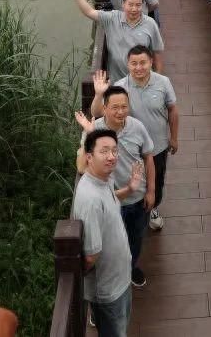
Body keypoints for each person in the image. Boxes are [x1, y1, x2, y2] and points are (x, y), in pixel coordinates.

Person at [91, 46, 178, 233]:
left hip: (158, 145)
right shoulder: (121, 87)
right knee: (132, 178)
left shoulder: (163, 83)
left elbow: (172, 110)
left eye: (143, 63)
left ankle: (153, 207)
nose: (139, 67)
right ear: (128, 64)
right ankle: (133, 213)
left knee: (157, 179)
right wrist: (99, 94)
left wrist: (174, 137)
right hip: (130, 145)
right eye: (134, 63)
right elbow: (98, 113)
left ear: (151, 62)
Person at [76, 86, 155, 289]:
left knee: (136, 237)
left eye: (124, 107)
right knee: (110, 244)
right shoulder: (95, 130)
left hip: (136, 196)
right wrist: (88, 134)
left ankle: (131, 267)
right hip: (110, 201)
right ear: (104, 108)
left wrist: (151, 190)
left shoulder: (137, 127)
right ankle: (107, 284)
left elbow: (148, 158)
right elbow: (81, 166)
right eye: (115, 107)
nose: (120, 112)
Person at [73, 128, 137, 337]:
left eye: (114, 151)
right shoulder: (90, 199)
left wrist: (129, 189)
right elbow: (90, 256)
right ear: (89, 157)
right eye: (104, 151)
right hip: (108, 290)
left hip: (120, 279)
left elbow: (110, 202)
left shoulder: (104, 180)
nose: (111, 156)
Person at [58, 0, 164, 81]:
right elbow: (89, 12)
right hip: (118, 85)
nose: (134, 9)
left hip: (143, 82)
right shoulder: (112, 18)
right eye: (130, 5)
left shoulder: (150, 24)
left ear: (143, 5)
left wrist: (157, 80)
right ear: (123, 4)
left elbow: (157, 53)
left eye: (138, 5)